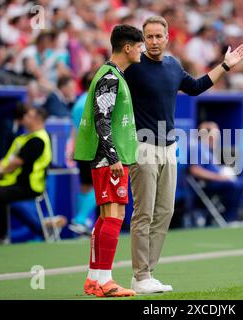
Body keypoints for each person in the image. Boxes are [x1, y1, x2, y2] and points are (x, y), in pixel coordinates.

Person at [124, 16, 243, 294]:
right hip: (142, 147)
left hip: (169, 148)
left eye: (159, 36)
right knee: (143, 213)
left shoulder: (173, 65)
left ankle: (147, 274)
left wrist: (225, 66)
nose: (154, 41)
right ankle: (140, 275)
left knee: (165, 211)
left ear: (167, 38)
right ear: (142, 40)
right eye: (149, 37)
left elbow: (196, 87)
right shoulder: (131, 67)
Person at [74, 25, 143, 298]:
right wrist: (113, 156)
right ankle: (106, 281)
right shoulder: (111, 77)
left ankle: (94, 279)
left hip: (107, 156)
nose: (142, 51)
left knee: (105, 218)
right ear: (128, 47)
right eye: (139, 46)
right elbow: (102, 118)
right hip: (109, 158)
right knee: (114, 217)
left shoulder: (109, 74)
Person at [0, 107, 56, 244]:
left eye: (29, 116)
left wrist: (0, 172)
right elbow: (9, 157)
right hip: (14, 183)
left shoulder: (38, 139)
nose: (25, 118)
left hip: (30, 186)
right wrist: (0, 167)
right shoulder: (25, 138)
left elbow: (17, 162)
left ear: (36, 119)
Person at [188, 121, 243, 224]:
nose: (216, 138)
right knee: (236, 186)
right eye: (214, 134)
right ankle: (230, 218)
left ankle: (241, 216)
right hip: (208, 185)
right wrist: (218, 177)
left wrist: (224, 173)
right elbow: (195, 170)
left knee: (239, 183)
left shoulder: (208, 150)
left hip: (217, 181)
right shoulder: (197, 148)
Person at [67, 71, 98, 236]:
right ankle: (80, 219)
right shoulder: (93, 101)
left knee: (85, 187)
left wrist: (72, 149)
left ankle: (81, 224)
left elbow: (74, 129)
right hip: (94, 149)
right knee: (102, 186)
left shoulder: (79, 102)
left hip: (82, 149)